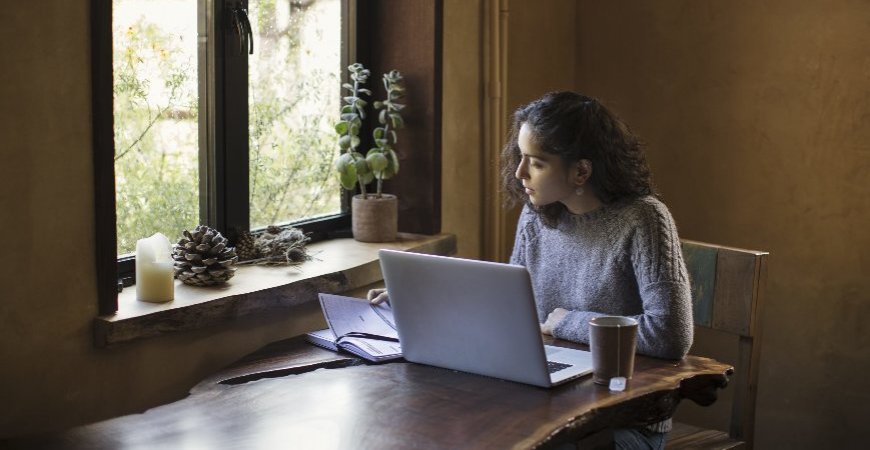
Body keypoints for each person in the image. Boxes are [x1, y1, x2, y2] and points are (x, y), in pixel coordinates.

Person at [371, 91, 693, 449]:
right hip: (549, 404)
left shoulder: (644, 219)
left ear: (581, 171)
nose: (519, 172)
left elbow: (670, 336)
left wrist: (565, 322)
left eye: (536, 162)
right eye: (521, 158)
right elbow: (512, 308)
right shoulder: (537, 215)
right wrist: (426, 299)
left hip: (624, 422)